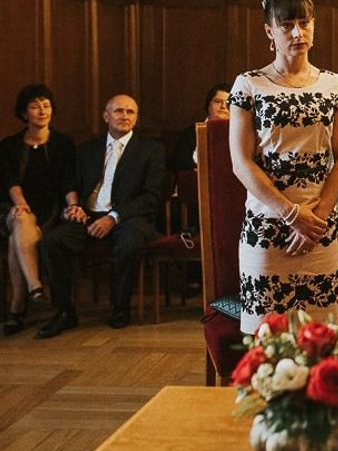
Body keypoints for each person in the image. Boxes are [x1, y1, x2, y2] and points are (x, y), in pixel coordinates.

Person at [229, 0, 338, 335]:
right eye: (287, 25)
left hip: (320, 225)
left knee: (321, 342)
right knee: (267, 342)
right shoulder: (248, 84)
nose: (297, 32)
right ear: (269, 31)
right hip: (268, 227)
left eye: (304, 23)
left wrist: (319, 215)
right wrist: (290, 213)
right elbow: (241, 162)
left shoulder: (335, 85)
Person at [37, 94, 165, 337]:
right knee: (52, 242)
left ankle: (120, 308)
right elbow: (71, 183)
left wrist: (113, 217)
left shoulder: (151, 150)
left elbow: (151, 197)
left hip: (129, 217)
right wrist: (73, 207)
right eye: (118, 111)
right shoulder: (87, 149)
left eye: (130, 112)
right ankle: (65, 312)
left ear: (136, 119)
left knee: (130, 244)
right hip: (89, 215)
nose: (124, 116)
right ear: (106, 116)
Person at [1, 85, 78, 335]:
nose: (42, 110)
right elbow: (11, 182)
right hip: (13, 205)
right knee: (21, 218)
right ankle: (35, 285)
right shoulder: (9, 145)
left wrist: (73, 206)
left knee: (17, 241)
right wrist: (20, 204)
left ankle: (17, 307)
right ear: (24, 113)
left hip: (50, 209)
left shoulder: (63, 144)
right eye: (35, 106)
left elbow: (68, 180)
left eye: (46, 105)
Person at [170, 83, 231, 171]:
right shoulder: (190, 134)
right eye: (218, 101)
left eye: (228, 103)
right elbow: (180, 164)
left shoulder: (242, 135)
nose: (223, 106)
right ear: (208, 105)